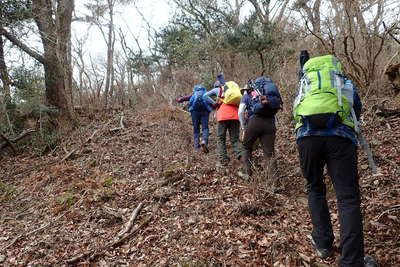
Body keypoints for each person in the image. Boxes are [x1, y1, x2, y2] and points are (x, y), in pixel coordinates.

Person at [293, 53, 378, 267]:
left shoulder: (306, 83)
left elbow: (296, 109)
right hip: (340, 138)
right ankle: (351, 260)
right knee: (347, 197)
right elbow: (355, 109)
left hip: (307, 138)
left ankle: (323, 244)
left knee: (314, 188)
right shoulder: (343, 82)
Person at [238, 78, 282, 181]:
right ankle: (274, 183)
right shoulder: (267, 95)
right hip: (270, 123)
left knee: (246, 147)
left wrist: (244, 126)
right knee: (269, 153)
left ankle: (247, 174)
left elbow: (240, 112)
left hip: (254, 122)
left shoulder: (247, 96)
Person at [203, 75, 243, 167]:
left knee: (221, 138)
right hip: (235, 116)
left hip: (223, 116)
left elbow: (205, 96)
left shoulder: (218, 90)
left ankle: (223, 160)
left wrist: (214, 103)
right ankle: (242, 157)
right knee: (235, 139)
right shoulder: (235, 90)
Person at [176, 85, 212, 153]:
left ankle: (196, 146)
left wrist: (179, 99)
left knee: (196, 128)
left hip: (194, 112)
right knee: (205, 127)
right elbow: (212, 100)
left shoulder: (193, 94)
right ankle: (204, 140)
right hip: (205, 112)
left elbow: (183, 98)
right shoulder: (206, 93)